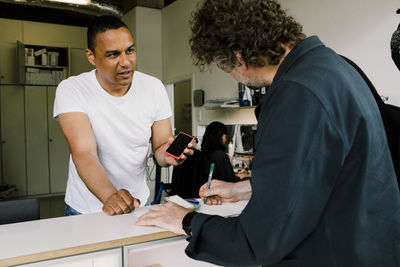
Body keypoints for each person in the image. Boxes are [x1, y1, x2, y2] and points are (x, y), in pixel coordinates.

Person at [136, 0, 400, 266]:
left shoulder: (297, 95)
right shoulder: (335, 66)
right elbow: (329, 172)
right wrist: (245, 189)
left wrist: (185, 220)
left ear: (237, 56)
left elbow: (257, 242)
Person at [54, 16, 193, 216]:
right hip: (86, 208)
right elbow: (84, 153)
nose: (125, 62)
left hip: (138, 203)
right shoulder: (72, 89)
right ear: (91, 56)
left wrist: (170, 155)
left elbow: (161, 148)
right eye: (113, 55)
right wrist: (111, 197)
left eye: (130, 50)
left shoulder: (153, 87)